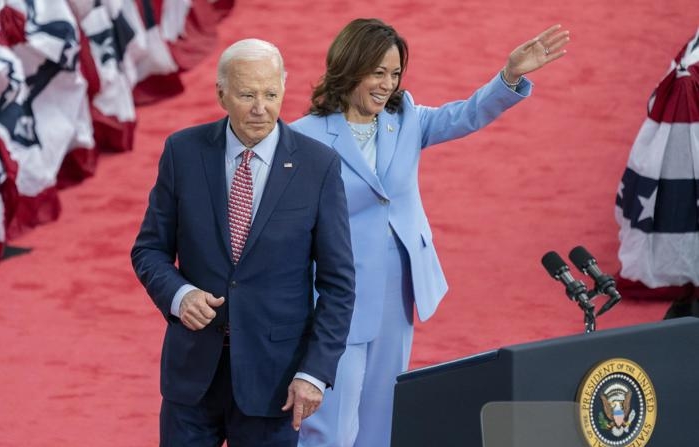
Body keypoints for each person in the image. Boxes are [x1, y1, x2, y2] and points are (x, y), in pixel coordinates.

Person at [290, 18, 570, 447]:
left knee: (383, 414)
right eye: (377, 72)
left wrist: (509, 75)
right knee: (331, 423)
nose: (387, 84)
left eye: (395, 73)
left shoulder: (404, 120)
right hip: (335, 296)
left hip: (397, 289)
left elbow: (466, 115)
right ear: (349, 68)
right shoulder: (304, 137)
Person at [131, 38, 356, 447]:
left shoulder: (318, 166)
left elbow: (338, 284)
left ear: (284, 90)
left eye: (271, 94)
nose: (260, 108)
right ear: (221, 94)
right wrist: (179, 296)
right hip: (192, 378)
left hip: (275, 382)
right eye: (247, 94)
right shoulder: (182, 152)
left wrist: (314, 372)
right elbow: (149, 249)